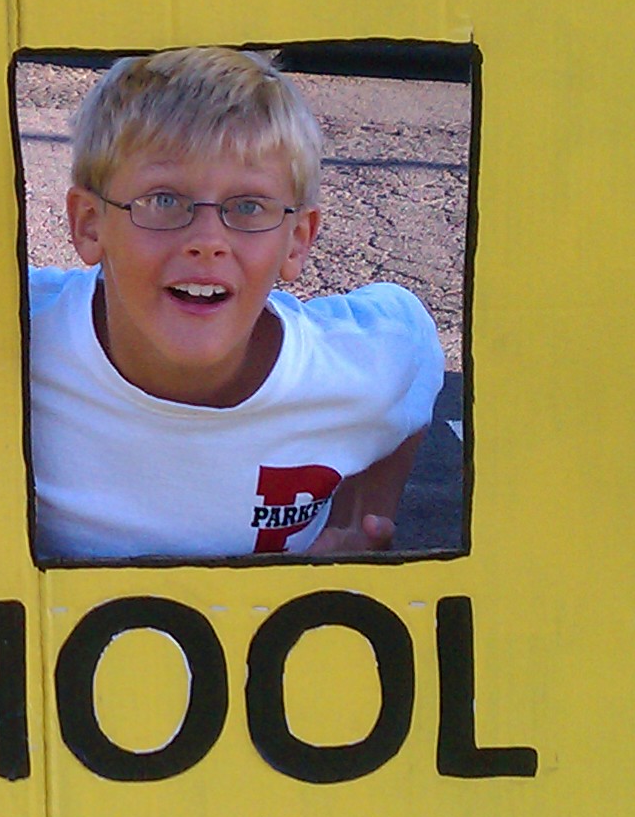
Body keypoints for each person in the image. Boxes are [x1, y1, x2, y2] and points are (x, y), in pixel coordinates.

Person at [27, 47, 442, 560]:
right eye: (163, 200)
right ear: (90, 223)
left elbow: (413, 343)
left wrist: (363, 521)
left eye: (247, 207)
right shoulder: (17, 336)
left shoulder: (358, 371)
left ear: (297, 240)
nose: (207, 240)